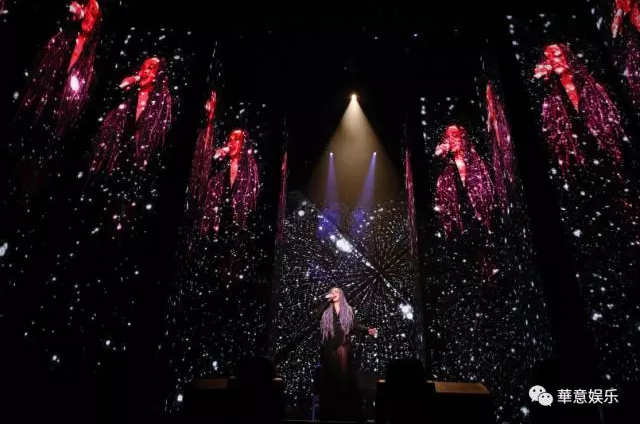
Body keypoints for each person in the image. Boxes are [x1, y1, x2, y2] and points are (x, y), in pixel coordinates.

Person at [317, 287, 377, 421]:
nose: (334, 294)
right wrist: (325, 302)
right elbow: (317, 317)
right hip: (329, 349)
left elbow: (355, 325)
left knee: (345, 380)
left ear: (341, 295)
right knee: (330, 380)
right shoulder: (326, 309)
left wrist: (368, 330)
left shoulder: (348, 310)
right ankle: (329, 413)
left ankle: (348, 413)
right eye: (332, 292)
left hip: (344, 347)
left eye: (336, 292)